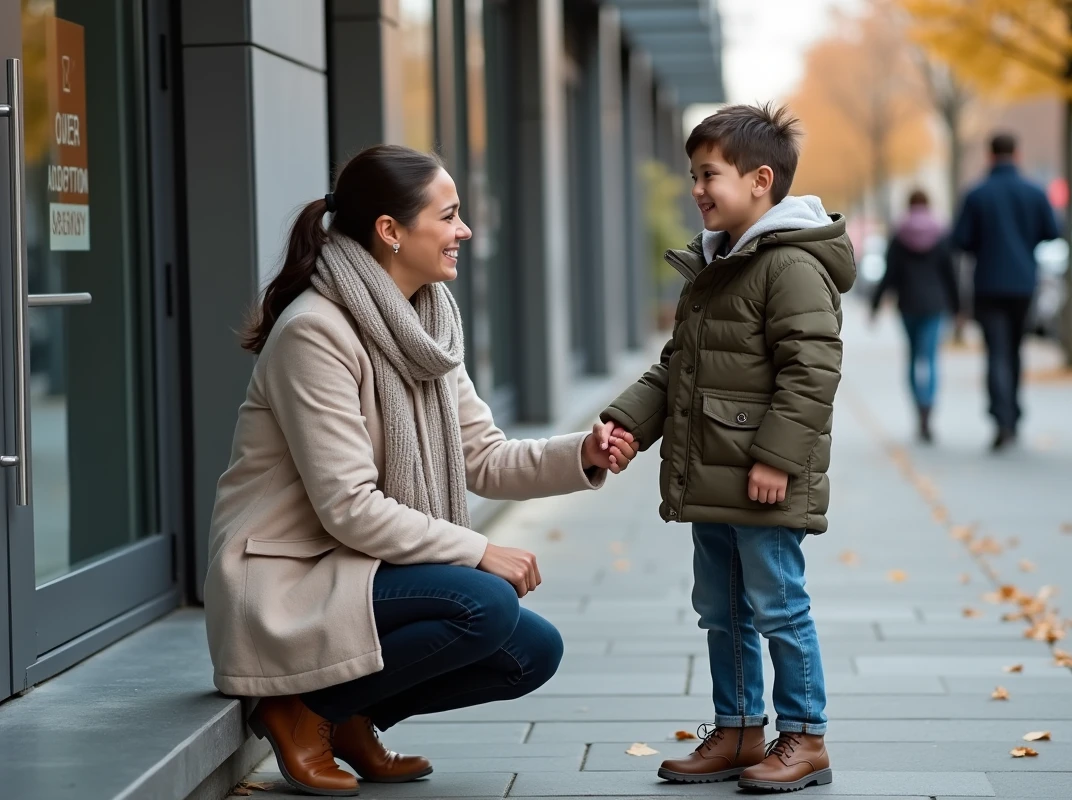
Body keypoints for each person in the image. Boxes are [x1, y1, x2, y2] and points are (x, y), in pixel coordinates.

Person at [203, 145, 639, 797]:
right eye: (450, 215)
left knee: (532, 651)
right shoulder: (315, 334)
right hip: (287, 578)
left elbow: (483, 456)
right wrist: (479, 549)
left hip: (354, 567)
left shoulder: (427, 323)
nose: (464, 231)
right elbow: (348, 505)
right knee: (483, 602)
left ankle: (351, 717)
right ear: (390, 230)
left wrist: (583, 453)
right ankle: (301, 714)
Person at [599, 103, 855, 793]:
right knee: (722, 606)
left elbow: (813, 369)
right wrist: (625, 425)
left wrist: (775, 455)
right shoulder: (718, 265)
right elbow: (677, 366)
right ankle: (740, 727)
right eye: (693, 175)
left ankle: (804, 737)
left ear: (760, 180)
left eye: (708, 174)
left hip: (761, 476)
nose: (697, 188)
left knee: (778, 604)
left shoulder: (789, 266)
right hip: (713, 474)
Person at [953, 132, 1059, 451]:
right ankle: (1013, 414)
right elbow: (1053, 230)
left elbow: (960, 240)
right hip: (1024, 284)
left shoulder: (976, 194)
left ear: (989, 155)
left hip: (987, 284)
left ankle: (1001, 418)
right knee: (1014, 350)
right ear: (1018, 154)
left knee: (996, 351)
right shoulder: (1034, 192)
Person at [870, 188, 960, 442]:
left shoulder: (899, 234)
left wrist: (876, 305)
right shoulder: (941, 233)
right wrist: (958, 307)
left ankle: (917, 409)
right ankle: (928, 410)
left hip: (908, 303)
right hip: (935, 305)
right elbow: (950, 273)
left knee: (912, 358)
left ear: (909, 206)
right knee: (930, 358)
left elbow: (889, 273)